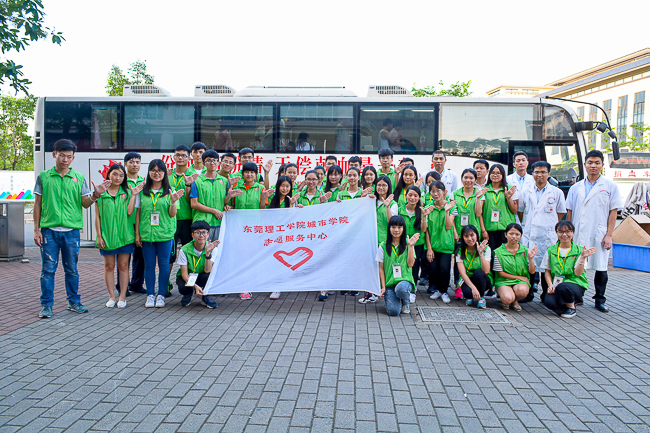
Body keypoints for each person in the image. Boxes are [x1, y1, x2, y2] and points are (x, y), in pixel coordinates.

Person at [34, 139, 110, 318]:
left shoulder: (79, 178)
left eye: (69, 157)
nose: (65, 160)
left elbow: (85, 203)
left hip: (71, 232)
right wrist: (36, 230)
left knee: (72, 269)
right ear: (54, 154)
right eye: (62, 155)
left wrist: (95, 195)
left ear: (73, 158)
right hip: (49, 231)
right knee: (48, 270)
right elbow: (37, 204)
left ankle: (74, 302)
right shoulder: (43, 176)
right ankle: (46, 305)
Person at [565, 149, 623, 313]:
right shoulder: (576, 187)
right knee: (577, 265)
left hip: (599, 233)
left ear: (602, 165)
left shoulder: (610, 187)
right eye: (590, 162)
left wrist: (609, 235)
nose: (593, 166)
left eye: (597, 163)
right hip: (578, 232)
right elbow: (570, 211)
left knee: (601, 267)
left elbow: (613, 213)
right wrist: (568, 233)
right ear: (585, 164)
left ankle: (600, 299)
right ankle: (578, 297)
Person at [135, 159, 185, 309]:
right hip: (147, 234)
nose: (156, 174)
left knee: (164, 265)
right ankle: (150, 295)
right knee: (149, 265)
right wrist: (137, 234)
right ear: (149, 172)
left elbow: (172, 214)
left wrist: (173, 201)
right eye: (153, 171)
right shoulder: (142, 191)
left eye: (160, 171)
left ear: (164, 173)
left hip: (165, 234)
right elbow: (138, 214)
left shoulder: (171, 190)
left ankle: (161, 295)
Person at [518, 161, 566, 302]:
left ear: (549, 174)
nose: (540, 175)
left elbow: (560, 212)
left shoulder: (556, 192)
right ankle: (528, 294)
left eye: (543, 172)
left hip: (547, 235)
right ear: (532, 174)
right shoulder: (526, 191)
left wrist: (549, 225)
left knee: (547, 265)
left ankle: (546, 293)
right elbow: (521, 212)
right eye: (537, 172)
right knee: (529, 264)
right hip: (531, 234)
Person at [95, 164, 141, 308]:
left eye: (121, 175)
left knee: (123, 265)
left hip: (125, 235)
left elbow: (130, 212)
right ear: (109, 175)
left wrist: (133, 195)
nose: (118, 178)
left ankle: (122, 296)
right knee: (109, 266)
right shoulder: (101, 193)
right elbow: (97, 217)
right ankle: (111, 296)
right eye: (115, 174)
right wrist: (99, 236)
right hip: (108, 236)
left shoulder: (127, 192)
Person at [541, 221, 596, 318]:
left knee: (564, 287)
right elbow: (547, 271)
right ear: (556, 233)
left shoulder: (580, 250)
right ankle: (564, 305)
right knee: (548, 302)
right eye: (560, 232)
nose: (564, 235)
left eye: (568, 231)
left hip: (575, 284)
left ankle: (571, 307)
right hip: (557, 284)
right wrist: (550, 285)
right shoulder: (551, 250)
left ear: (573, 233)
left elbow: (578, 273)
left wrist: (583, 257)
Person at [359, 176, 397, 305]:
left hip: (385, 241)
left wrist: (387, 207)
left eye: (384, 185)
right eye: (379, 185)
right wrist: (362, 198)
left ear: (389, 187)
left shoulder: (393, 204)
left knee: (383, 267)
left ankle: (384, 292)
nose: (381, 187)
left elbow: (392, 223)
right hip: (370, 239)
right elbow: (360, 214)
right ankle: (372, 293)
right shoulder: (372, 201)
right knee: (371, 267)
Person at [188, 150, 239, 243]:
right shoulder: (197, 181)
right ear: (204, 163)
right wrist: (213, 211)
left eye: (214, 160)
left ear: (218, 163)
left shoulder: (224, 181)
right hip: (202, 224)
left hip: (219, 222)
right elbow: (194, 204)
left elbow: (224, 201)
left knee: (217, 250)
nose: (212, 163)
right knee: (202, 250)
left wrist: (229, 196)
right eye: (208, 160)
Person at [167, 145, 197, 298]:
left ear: (189, 158)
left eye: (184, 155)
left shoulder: (194, 175)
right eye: (177, 155)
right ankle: (165, 284)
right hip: (169, 220)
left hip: (187, 220)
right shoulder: (167, 175)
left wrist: (189, 184)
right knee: (170, 255)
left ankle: (190, 286)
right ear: (173, 157)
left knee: (190, 255)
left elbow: (191, 198)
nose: (180, 157)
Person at [377, 216, 420, 315]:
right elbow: (381, 268)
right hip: (390, 283)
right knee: (393, 312)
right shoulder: (383, 246)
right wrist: (383, 287)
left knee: (401, 289)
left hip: (404, 281)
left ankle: (405, 301)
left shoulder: (408, 244)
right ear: (389, 228)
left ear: (403, 228)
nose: (396, 230)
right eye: (393, 227)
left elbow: (411, 264)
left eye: (399, 227)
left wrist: (410, 246)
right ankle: (393, 298)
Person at [476, 164, 519, 260]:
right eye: (493, 173)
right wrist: (483, 230)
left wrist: (508, 197)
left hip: (506, 230)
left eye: (498, 173)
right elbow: (479, 213)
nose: (495, 175)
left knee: (505, 257)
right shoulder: (485, 190)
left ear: (503, 175)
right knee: (490, 257)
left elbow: (515, 210)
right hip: (489, 229)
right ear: (489, 175)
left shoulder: (509, 189)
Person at [493, 223, 538, 311]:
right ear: (505, 235)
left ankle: (515, 301)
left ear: (521, 236)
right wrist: (520, 277)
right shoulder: (498, 252)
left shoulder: (525, 250)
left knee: (522, 291)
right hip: (503, 281)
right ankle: (508, 299)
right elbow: (500, 273)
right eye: (511, 233)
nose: (514, 236)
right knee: (507, 298)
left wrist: (530, 258)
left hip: (520, 282)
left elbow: (532, 271)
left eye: (517, 234)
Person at [450, 168, 480, 298]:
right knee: (459, 259)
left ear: (475, 179)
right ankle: (458, 286)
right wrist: (454, 232)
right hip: (459, 233)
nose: (468, 180)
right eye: (465, 177)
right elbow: (452, 214)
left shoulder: (479, 193)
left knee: (474, 259)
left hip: (473, 233)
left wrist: (478, 198)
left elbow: (478, 213)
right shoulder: (454, 194)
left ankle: (473, 285)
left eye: (471, 178)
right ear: (461, 179)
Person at [424, 181, 456, 304]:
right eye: (433, 191)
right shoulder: (429, 208)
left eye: (438, 190)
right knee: (433, 269)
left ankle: (444, 291)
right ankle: (437, 290)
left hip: (446, 245)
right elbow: (426, 230)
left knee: (444, 269)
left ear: (444, 192)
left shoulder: (452, 207)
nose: (435, 193)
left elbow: (448, 226)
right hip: (433, 245)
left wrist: (446, 211)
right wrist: (429, 248)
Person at [176, 221, 220, 308]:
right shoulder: (184, 250)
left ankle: (205, 295)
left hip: (202, 275)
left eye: (204, 232)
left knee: (208, 276)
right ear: (192, 235)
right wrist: (195, 286)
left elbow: (207, 270)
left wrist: (207, 253)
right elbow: (184, 274)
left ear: (208, 234)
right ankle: (188, 294)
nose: (201, 235)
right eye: (198, 233)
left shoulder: (213, 249)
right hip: (189, 275)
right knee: (182, 287)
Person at [122, 152, 146, 295]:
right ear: (125, 164)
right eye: (131, 162)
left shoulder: (144, 182)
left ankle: (137, 284)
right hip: (125, 223)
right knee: (124, 258)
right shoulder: (121, 181)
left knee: (140, 256)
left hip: (141, 223)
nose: (134, 165)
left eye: (137, 162)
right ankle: (122, 286)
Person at [398, 186, 427, 289]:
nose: (412, 198)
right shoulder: (400, 210)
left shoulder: (422, 211)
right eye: (410, 195)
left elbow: (424, 229)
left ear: (419, 197)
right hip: (402, 242)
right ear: (406, 196)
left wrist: (424, 216)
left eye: (415, 195)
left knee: (414, 266)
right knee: (402, 264)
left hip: (417, 244)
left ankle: (413, 289)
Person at [456, 225, 491, 309]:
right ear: (463, 238)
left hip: (482, 278)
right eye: (466, 236)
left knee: (478, 273)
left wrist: (481, 254)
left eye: (472, 235)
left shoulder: (486, 249)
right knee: (468, 293)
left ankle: (481, 297)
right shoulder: (460, 251)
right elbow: (463, 274)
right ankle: (472, 295)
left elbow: (486, 270)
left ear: (477, 235)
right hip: (468, 279)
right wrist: (474, 289)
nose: (469, 238)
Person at [506, 151, 535, 224]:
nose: (521, 163)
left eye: (523, 160)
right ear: (514, 164)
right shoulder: (507, 179)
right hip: (512, 216)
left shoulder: (533, 180)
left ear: (527, 163)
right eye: (518, 161)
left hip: (530, 216)